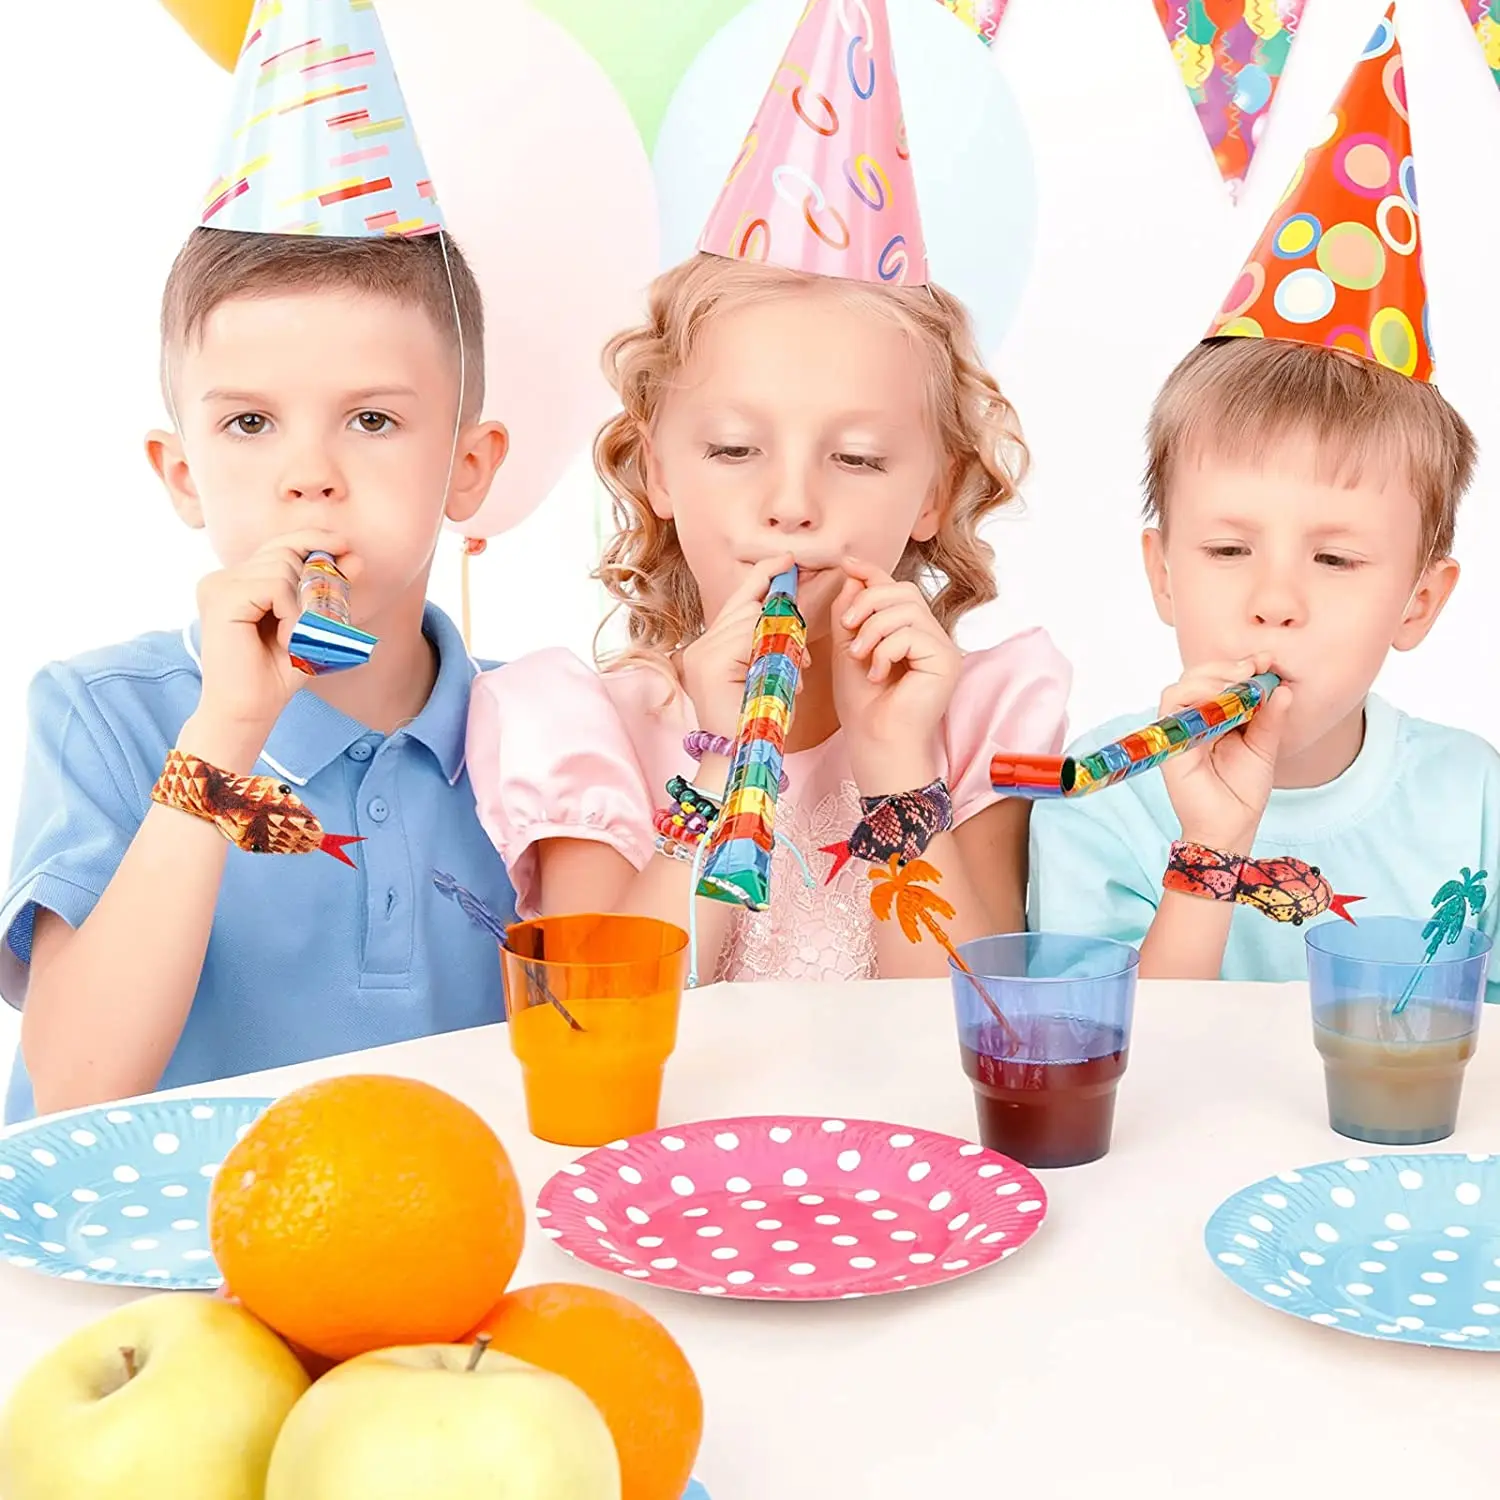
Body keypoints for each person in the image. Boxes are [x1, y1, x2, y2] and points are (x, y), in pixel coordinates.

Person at [467, 0, 1070, 984]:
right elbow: (605, 1016)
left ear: (937, 491)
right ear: (657, 470)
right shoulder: (583, 730)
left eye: (858, 459)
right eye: (736, 449)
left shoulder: (974, 722)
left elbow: (972, 1024)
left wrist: (895, 763)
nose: (792, 503)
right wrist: (722, 756)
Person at [0, 2, 515, 1122]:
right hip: (179, 1231)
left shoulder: (537, 732)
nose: (310, 476)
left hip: (453, 1226)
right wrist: (226, 734)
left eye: (372, 420)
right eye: (249, 424)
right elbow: (74, 1086)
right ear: (182, 474)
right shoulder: (107, 717)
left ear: (468, 466)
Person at [1028, 18, 1500, 993]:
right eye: (1229, 550)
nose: (1275, 601)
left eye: (1335, 559)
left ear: (1419, 600)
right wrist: (1210, 852)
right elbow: (1114, 1065)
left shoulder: (1477, 799)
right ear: (1163, 573)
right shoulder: (1099, 795)